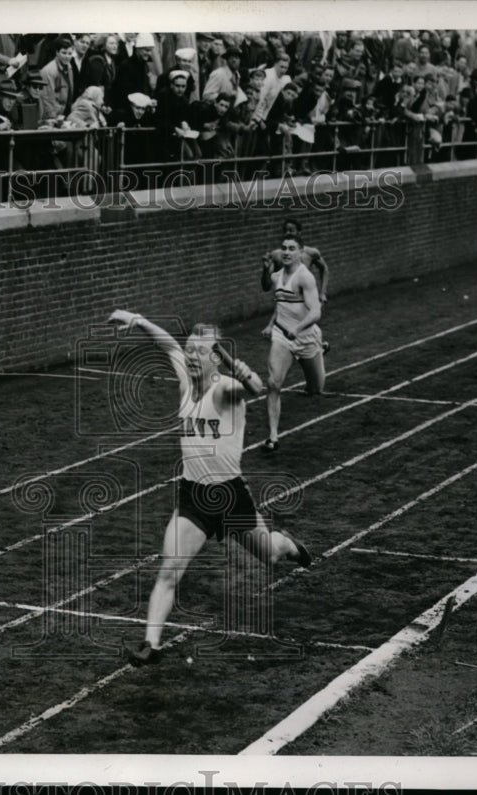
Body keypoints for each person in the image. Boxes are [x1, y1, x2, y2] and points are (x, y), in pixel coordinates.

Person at [106, 310, 311, 666]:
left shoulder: (225, 389)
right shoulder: (186, 384)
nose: (189, 356)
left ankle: (290, 545)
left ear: (215, 357)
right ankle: (150, 645)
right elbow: (167, 343)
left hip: (231, 498)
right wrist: (139, 321)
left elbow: (255, 388)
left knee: (271, 555)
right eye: (189, 350)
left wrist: (246, 375)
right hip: (194, 497)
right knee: (169, 569)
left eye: (197, 351)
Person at [260, 233, 325, 452]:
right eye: (284, 248)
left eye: (292, 248)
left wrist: (297, 329)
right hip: (282, 336)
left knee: (316, 388)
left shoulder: (304, 277)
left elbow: (316, 312)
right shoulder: (278, 276)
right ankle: (273, 437)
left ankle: (321, 349)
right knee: (273, 383)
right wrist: (265, 270)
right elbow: (267, 288)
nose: (287, 252)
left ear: (300, 252)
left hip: (305, 337)